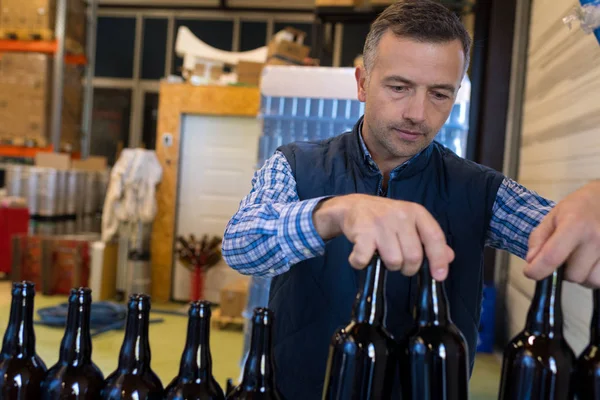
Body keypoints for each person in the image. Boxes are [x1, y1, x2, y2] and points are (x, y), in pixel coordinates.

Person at [222, 1, 600, 398]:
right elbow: (241, 247)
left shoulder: (482, 191)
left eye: (439, 94)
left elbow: (568, 239)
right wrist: (335, 212)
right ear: (363, 82)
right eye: (399, 88)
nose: (418, 113)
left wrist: (593, 203)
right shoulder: (296, 164)